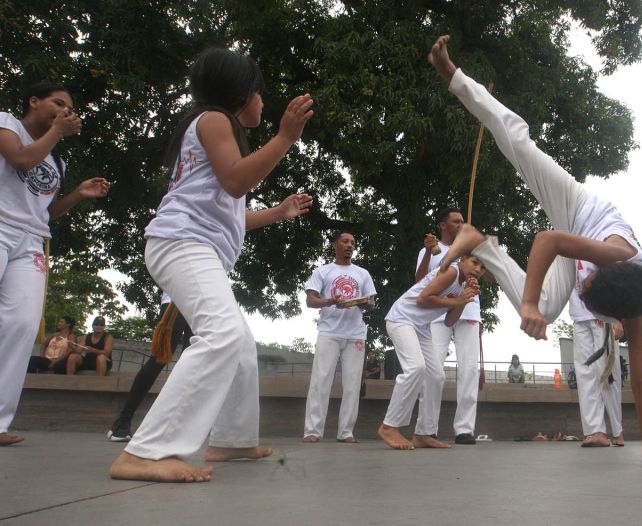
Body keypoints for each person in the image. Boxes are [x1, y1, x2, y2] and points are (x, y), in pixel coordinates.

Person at [428, 35, 642, 469]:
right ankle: (454, 76)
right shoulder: (615, 254)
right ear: (602, 273)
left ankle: (479, 242)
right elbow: (547, 240)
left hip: (575, 245)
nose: (584, 287)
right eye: (588, 285)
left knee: (548, 311)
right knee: (519, 145)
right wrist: (531, 303)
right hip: (576, 211)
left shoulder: (635, 302)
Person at [109, 47, 314, 482]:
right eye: (259, 92)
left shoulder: (213, 129)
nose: (263, 101)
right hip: (181, 242)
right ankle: (146, 451)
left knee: (239, 347)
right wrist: (285, 137)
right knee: (220, 334)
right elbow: (237, 180)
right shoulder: (215, 119)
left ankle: (233, 439)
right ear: (241, 93)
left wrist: (277, 212)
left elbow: (232, 209)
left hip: (188, 243)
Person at [0, 83, 110, 446]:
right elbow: (19, 160)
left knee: (22, 322)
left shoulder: (57, 161)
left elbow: (46, 212)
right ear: (34, 101)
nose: (63, 111)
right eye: (57, 103)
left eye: (68, 108)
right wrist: (56, 132)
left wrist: (77, 194)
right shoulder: (7, 124)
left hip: (31, 238)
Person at [379, 255, 484, 450]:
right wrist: (456, 301)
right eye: (475, 263)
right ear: (462, 260)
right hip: (401, 319)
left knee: (436, 376)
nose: (478, 269)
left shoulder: (463, 285)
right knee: (416, 368)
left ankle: (423, 433)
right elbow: (422, 299)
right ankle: (389, 426)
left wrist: (464, 300)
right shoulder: (451, 272)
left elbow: (449, 322)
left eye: (483, 268)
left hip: (421, 328)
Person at [415, 207, 483, 445]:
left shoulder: (471, 251)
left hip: (469, 308)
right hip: (436, 312)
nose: (460, 224)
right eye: (456, 221)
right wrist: (426, 253)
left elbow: (493, 277)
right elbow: (419, 280)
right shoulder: (432, 250)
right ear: (442, 225)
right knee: (433, 370)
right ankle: (426, 428)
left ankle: (464, 429)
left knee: (469, 369)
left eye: (463, 221)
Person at [302, 231, 376, 444]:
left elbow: (371, 304)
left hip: (355, 334)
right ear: (334, 245)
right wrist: (329, 301)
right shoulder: (323, 271)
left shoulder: (363, 273)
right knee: (320, 381)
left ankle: (346, 432)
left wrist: (365, 303)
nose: (349, 245)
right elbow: (310, 301)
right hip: (329, 332)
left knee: (352, 384)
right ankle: (312, 430)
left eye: (352, 242)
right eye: (345, 241)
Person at [107, 293, 192, 442]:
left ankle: (178, 427)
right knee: (159, 359)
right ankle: (122, 422)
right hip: (176, 301)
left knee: (193, 365)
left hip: (202, 306)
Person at [570, 280, 624, 447]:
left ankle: (617, 431)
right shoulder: (563, 256)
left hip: (602, 312)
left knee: (607, 374)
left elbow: (612, 273)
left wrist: (616, 316)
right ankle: (596, 431)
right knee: (585, 374)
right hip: (579, 315)